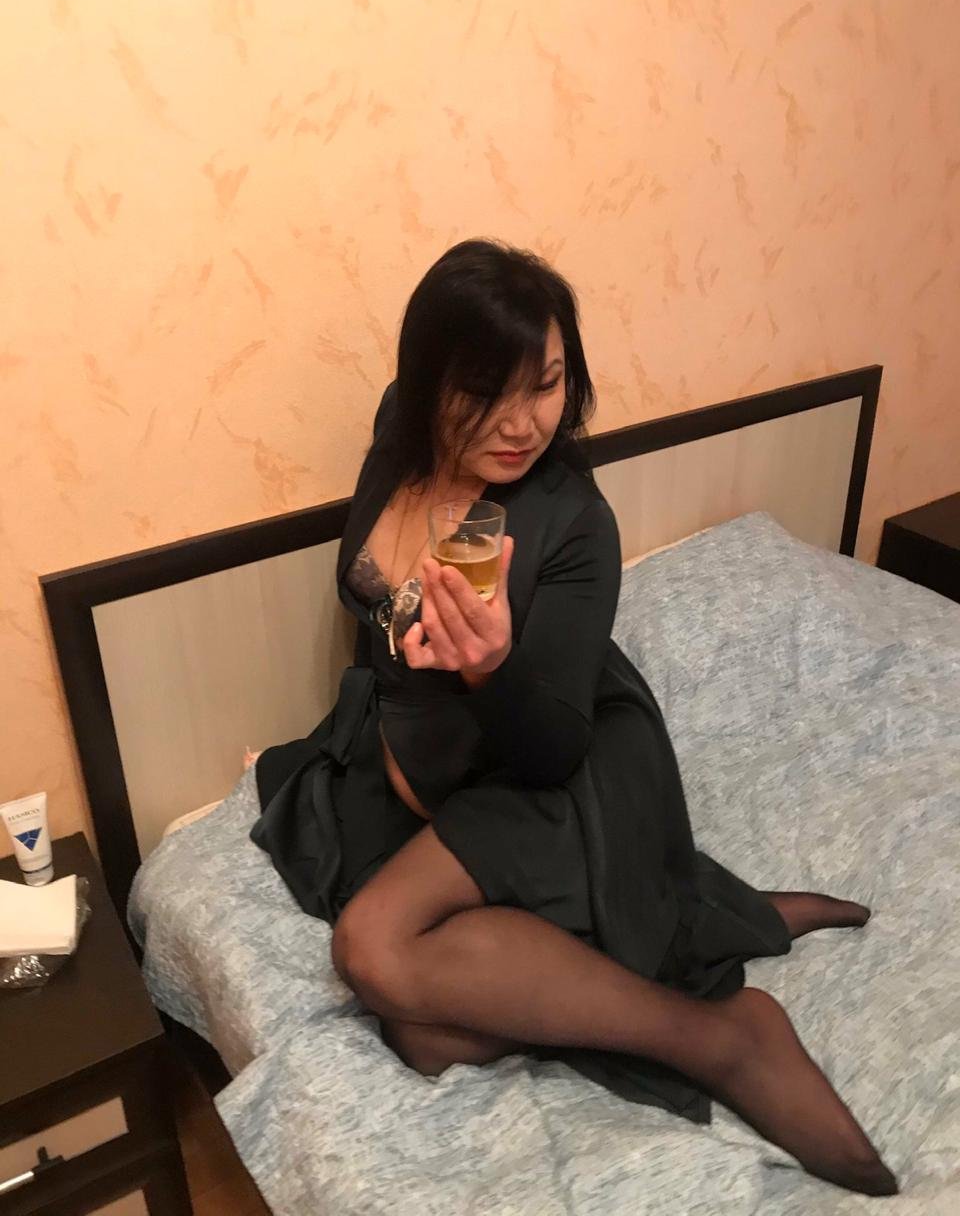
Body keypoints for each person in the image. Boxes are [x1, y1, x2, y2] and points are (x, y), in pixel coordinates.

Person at [250, 239, 896, 1198]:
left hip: (554, 755)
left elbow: (551, 745)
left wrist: (491, 666)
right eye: (487, 393)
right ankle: (673, 936)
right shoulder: (399, 435)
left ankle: (720, 1037)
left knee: (371, 947)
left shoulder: (572, 520)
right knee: (422, 1035)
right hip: (429, 758)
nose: (523, 424)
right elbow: (381, 610)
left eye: (548, 385)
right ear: (425, 385)